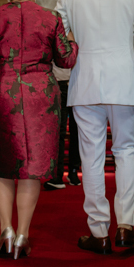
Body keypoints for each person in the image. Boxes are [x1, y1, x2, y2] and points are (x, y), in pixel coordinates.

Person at [55, 0, 134, 255]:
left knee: (91, 156)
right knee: (126, 152)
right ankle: (125, 227)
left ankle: (98, 232)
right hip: (124, 80)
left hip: (85, 83)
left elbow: (61, 39)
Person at [0, 0, 78, 259]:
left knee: (2, 164)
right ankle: (23, 235)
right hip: (41, 94)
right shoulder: (50, 18)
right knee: (30, 167)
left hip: (2, 92)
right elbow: (65, 60)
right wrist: (74, 43)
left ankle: (6, 229)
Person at [46, 61, 82, 190]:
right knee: (58, 131)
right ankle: (57, 174)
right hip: (58, 83)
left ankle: (73, 170)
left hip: (78, 83)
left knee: (76, 130)